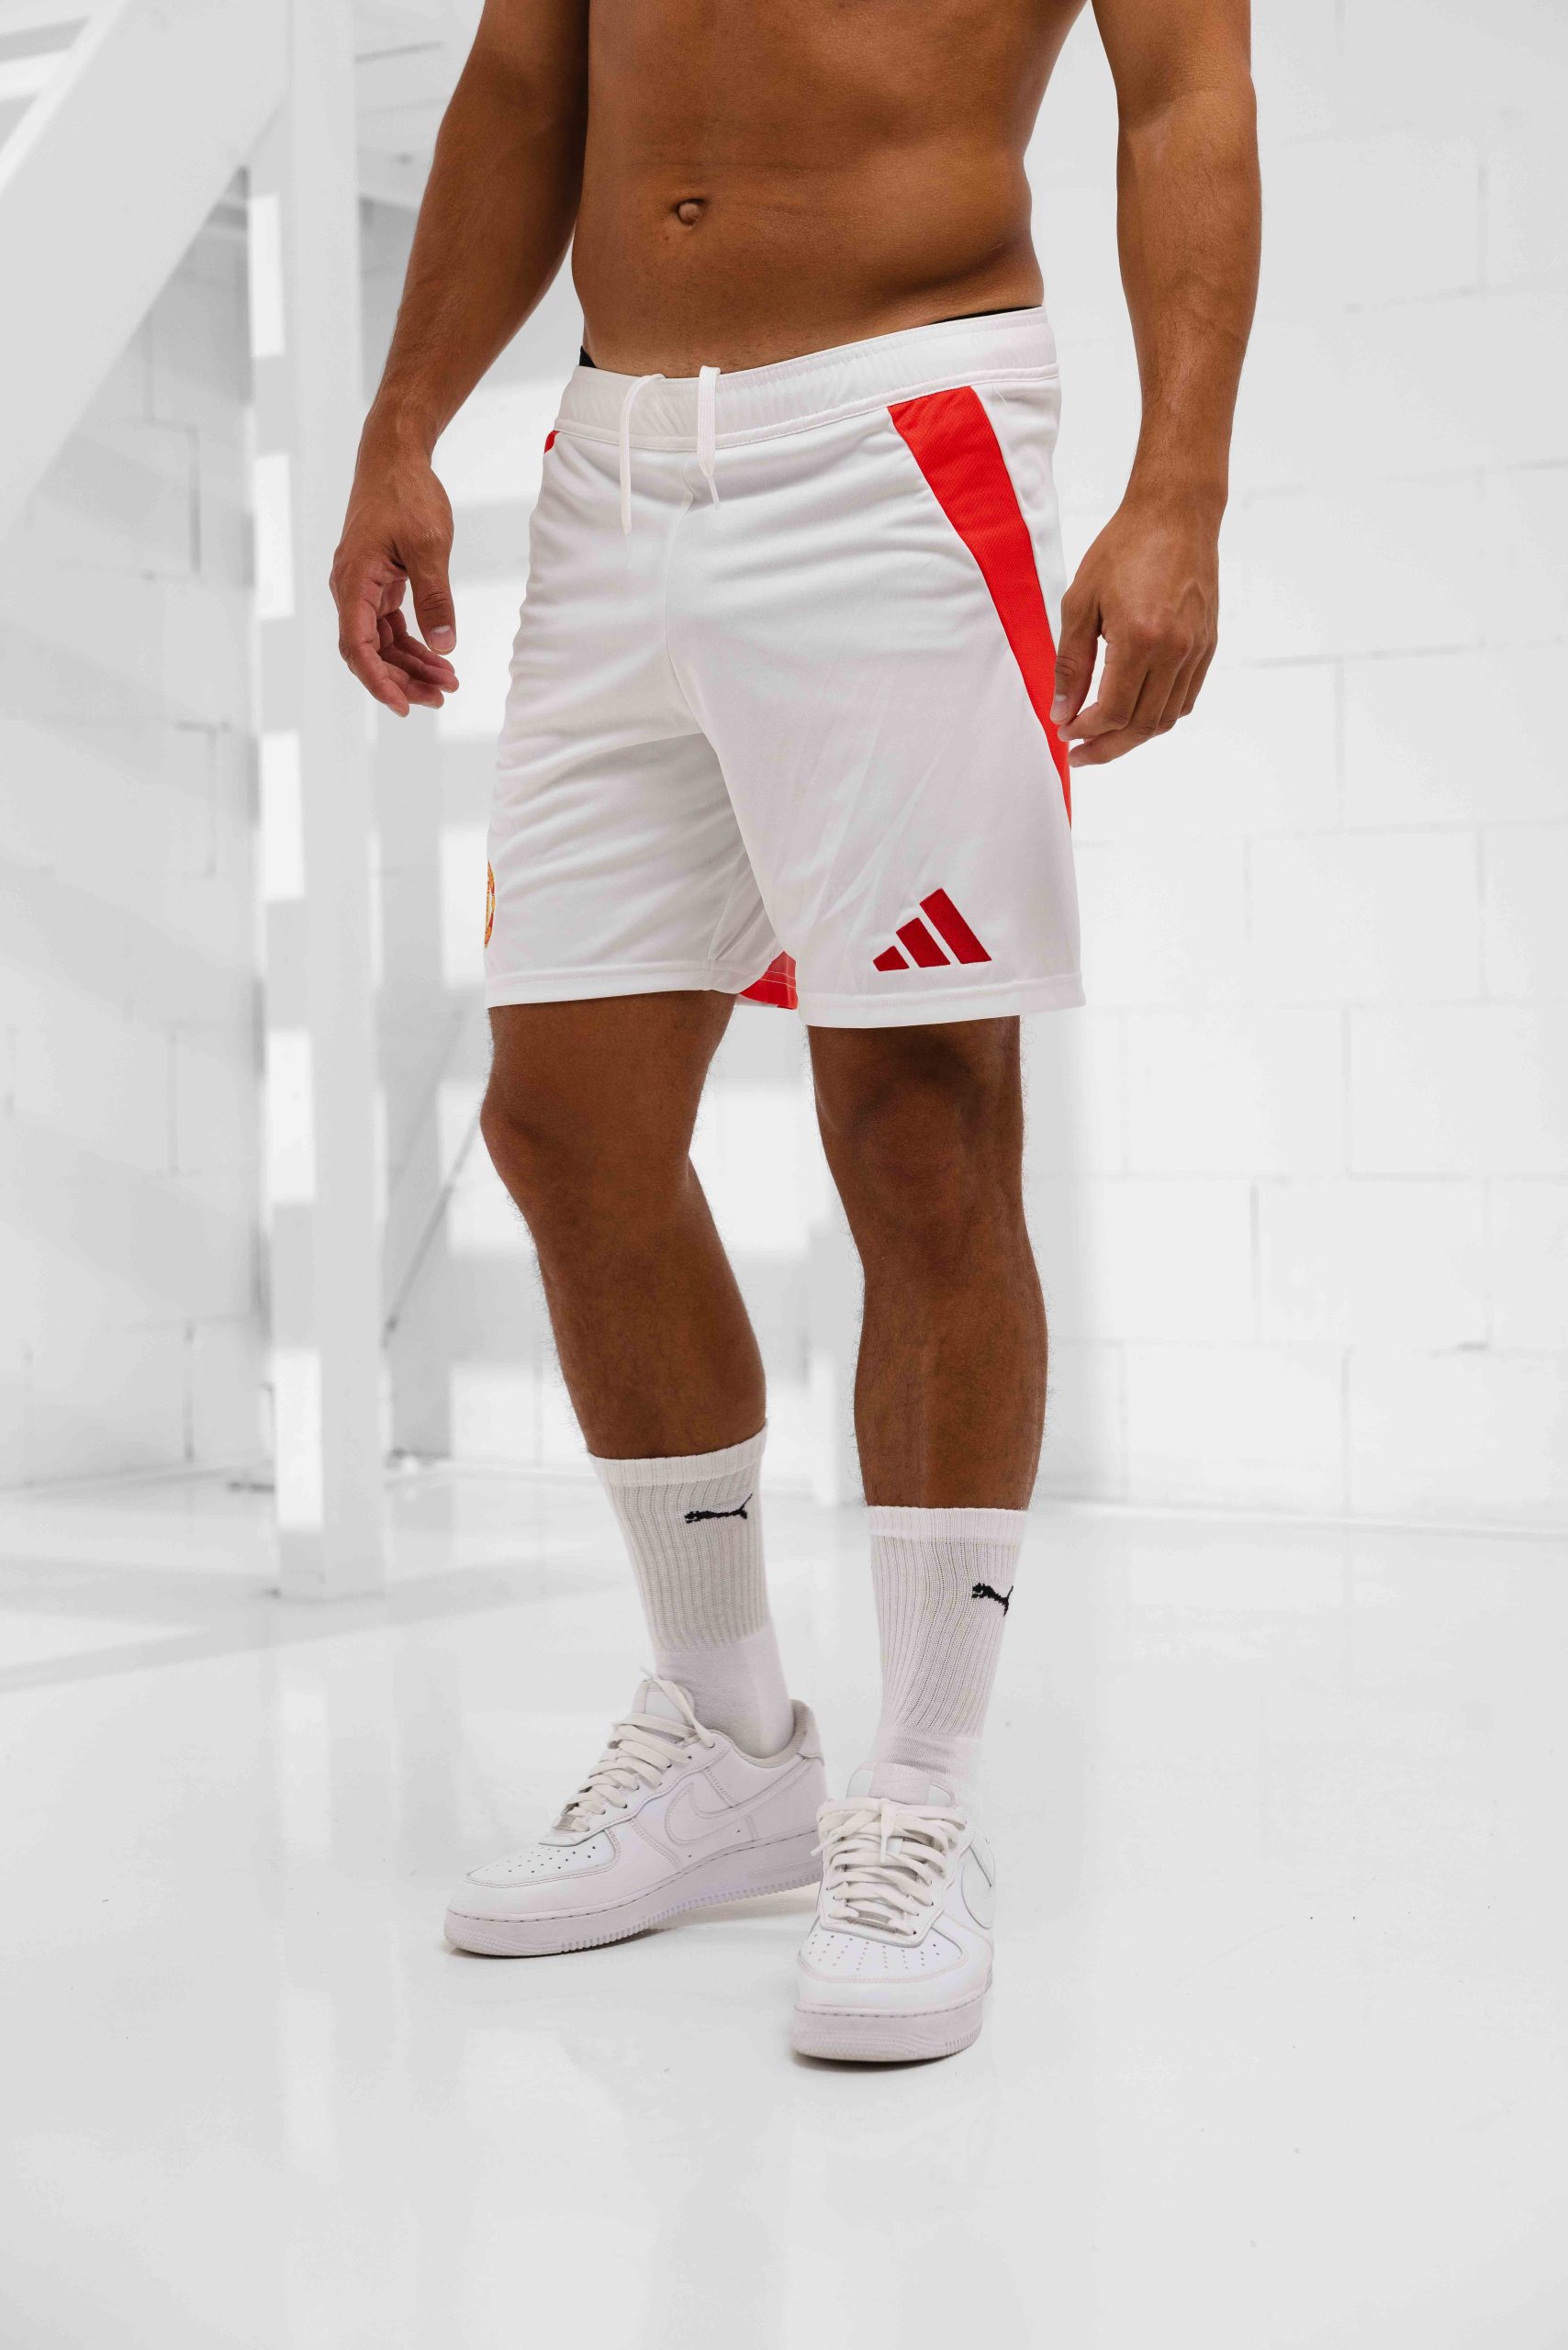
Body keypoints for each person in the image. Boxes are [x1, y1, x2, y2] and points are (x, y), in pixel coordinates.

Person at [331, 0, 1259, 2062]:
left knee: (919, 1121)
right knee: (564, 1122)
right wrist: (404, 426)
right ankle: (732, 1738)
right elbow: (525, 78)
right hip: (613, 462)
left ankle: (914, 1792)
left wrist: (1179, 482)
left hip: (899, 434)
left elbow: (1188, 87)